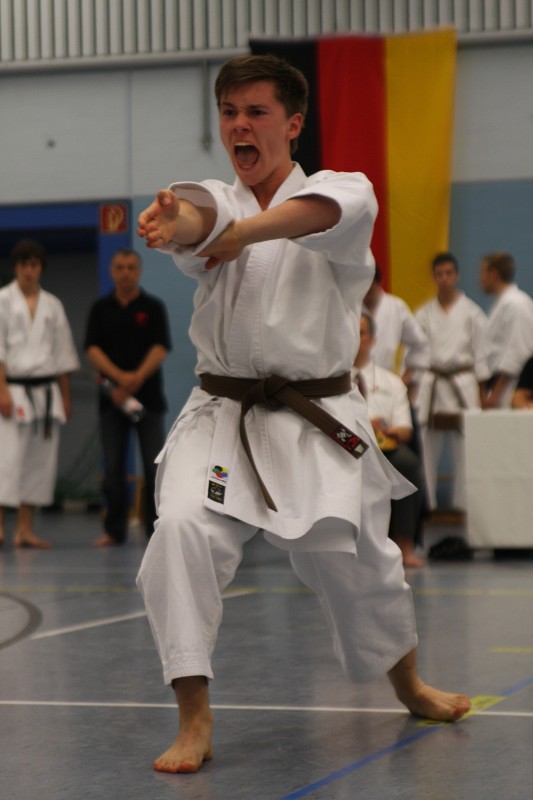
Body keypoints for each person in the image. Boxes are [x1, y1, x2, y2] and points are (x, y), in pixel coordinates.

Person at [135, 54, 470, 775]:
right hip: (221, 412)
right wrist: (175, 222)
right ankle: (194, 717)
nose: (239, 125)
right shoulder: (222, 199)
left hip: (314, 414)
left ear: (292, 124)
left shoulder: (344, 192)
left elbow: (307, 217)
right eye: (229, 113)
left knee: (358, 559)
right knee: (181, 529)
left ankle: (408, 685)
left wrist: (239, 236)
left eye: (255, 112)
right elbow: (200, 217)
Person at [84, 249, 171, 546]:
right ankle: (114, 530)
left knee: (152, 465)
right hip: (112, 401)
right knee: (112, 468)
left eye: (131, 267)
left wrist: (136, 378)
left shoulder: (153, 307)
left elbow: (160, 347)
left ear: (139, 271)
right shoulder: (100, 309)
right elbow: (92, 350)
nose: (125, 273)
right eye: (120, 267)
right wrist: (120, 378)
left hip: (149, 401)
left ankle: (155, 529)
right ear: (112, 271)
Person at [0, 238, 79, 548]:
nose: (29, 270)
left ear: (40, 268)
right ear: (15, 267)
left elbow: (62, 355)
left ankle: (25, 529)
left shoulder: (53, 305)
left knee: (39, 462)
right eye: (23, 264)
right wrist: (2, 391)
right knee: (6, 459)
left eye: (34, 264)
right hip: (13, 390)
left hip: (47, 393)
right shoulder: (3, 300)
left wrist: (66, 396)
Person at [415, 252, 490, 511]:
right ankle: (427, 505)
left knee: (466, 450)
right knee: (427, 449)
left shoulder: (472, 313)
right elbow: (416, 355)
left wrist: (482, 394)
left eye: (449, 273)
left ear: (456, 276)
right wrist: (413, 389)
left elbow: (481, 356)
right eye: (440, 274)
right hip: (433, 385)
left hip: (463, 384)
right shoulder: (423, 314)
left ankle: (464, 506)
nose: (445, 278)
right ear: (434, 277)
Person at [353, 312, 425, 567]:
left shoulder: (391, 382)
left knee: (408, 464)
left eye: (361, 333)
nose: (354, 338)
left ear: (372, 340)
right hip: (349, 445)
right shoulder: (333, 379)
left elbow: (405, 431)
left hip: (385, 447)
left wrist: (383, 429)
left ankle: (405, 546)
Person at [363, 265, 430, 401]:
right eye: (362, 290)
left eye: (370, 290)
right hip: (358, 385)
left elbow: (421, 344)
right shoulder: (351, 307)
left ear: (378, 283)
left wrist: (406, 377)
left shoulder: (395, 307)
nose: (366, 296)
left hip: (386, 386)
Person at [480, 252, 533, 409]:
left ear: (494, 274)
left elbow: (517, 351)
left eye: (483, 273)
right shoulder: (502, 303)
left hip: (510, 387)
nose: (480, 279)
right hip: (496, 384)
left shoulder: (517, 304)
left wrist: (496, 394)